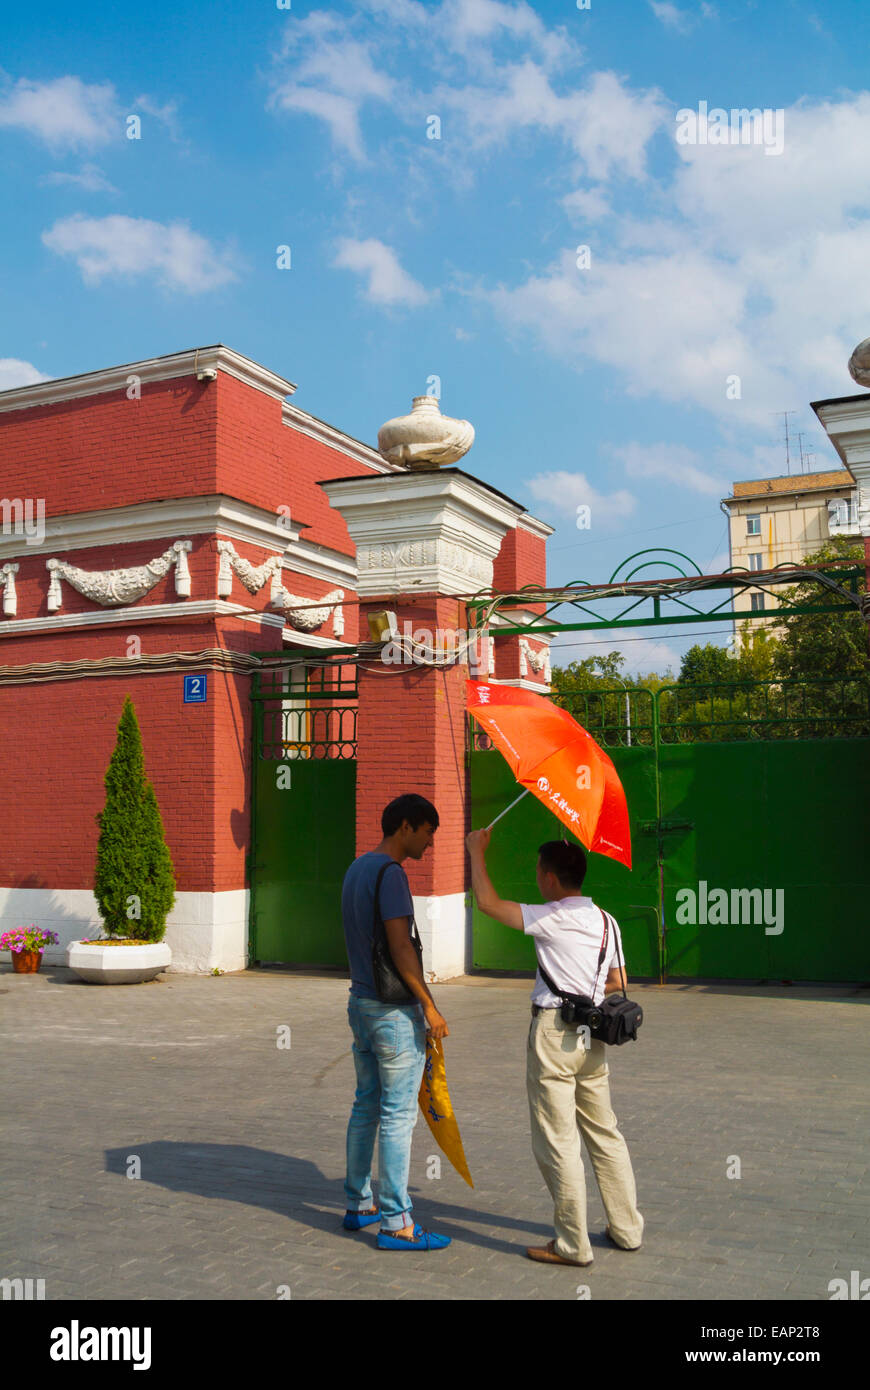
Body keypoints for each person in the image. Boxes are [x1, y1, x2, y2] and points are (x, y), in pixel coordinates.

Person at [466, 827, 643, 1266]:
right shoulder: (607, 921)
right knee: (605, 1134)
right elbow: (619, 982)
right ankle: (626, 1229)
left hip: (554, 1034)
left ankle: (571, 1244)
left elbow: (487, 903)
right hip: (592, 1036)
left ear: (549, 878)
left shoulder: (552, 916)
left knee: (558, 1141)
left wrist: (476, 851)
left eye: (539, 873)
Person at [341, 793, 452, 1251]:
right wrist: (428, 1004)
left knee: (366, 1103)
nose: (430, 842)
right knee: (398, 1114)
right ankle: (397, 1222)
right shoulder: (391, 875)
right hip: (392, 1013)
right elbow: (401, 947)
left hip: (361, 1004)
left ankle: (359, 1203)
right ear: (406, 826)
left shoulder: (357, 868)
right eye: (428, 832)